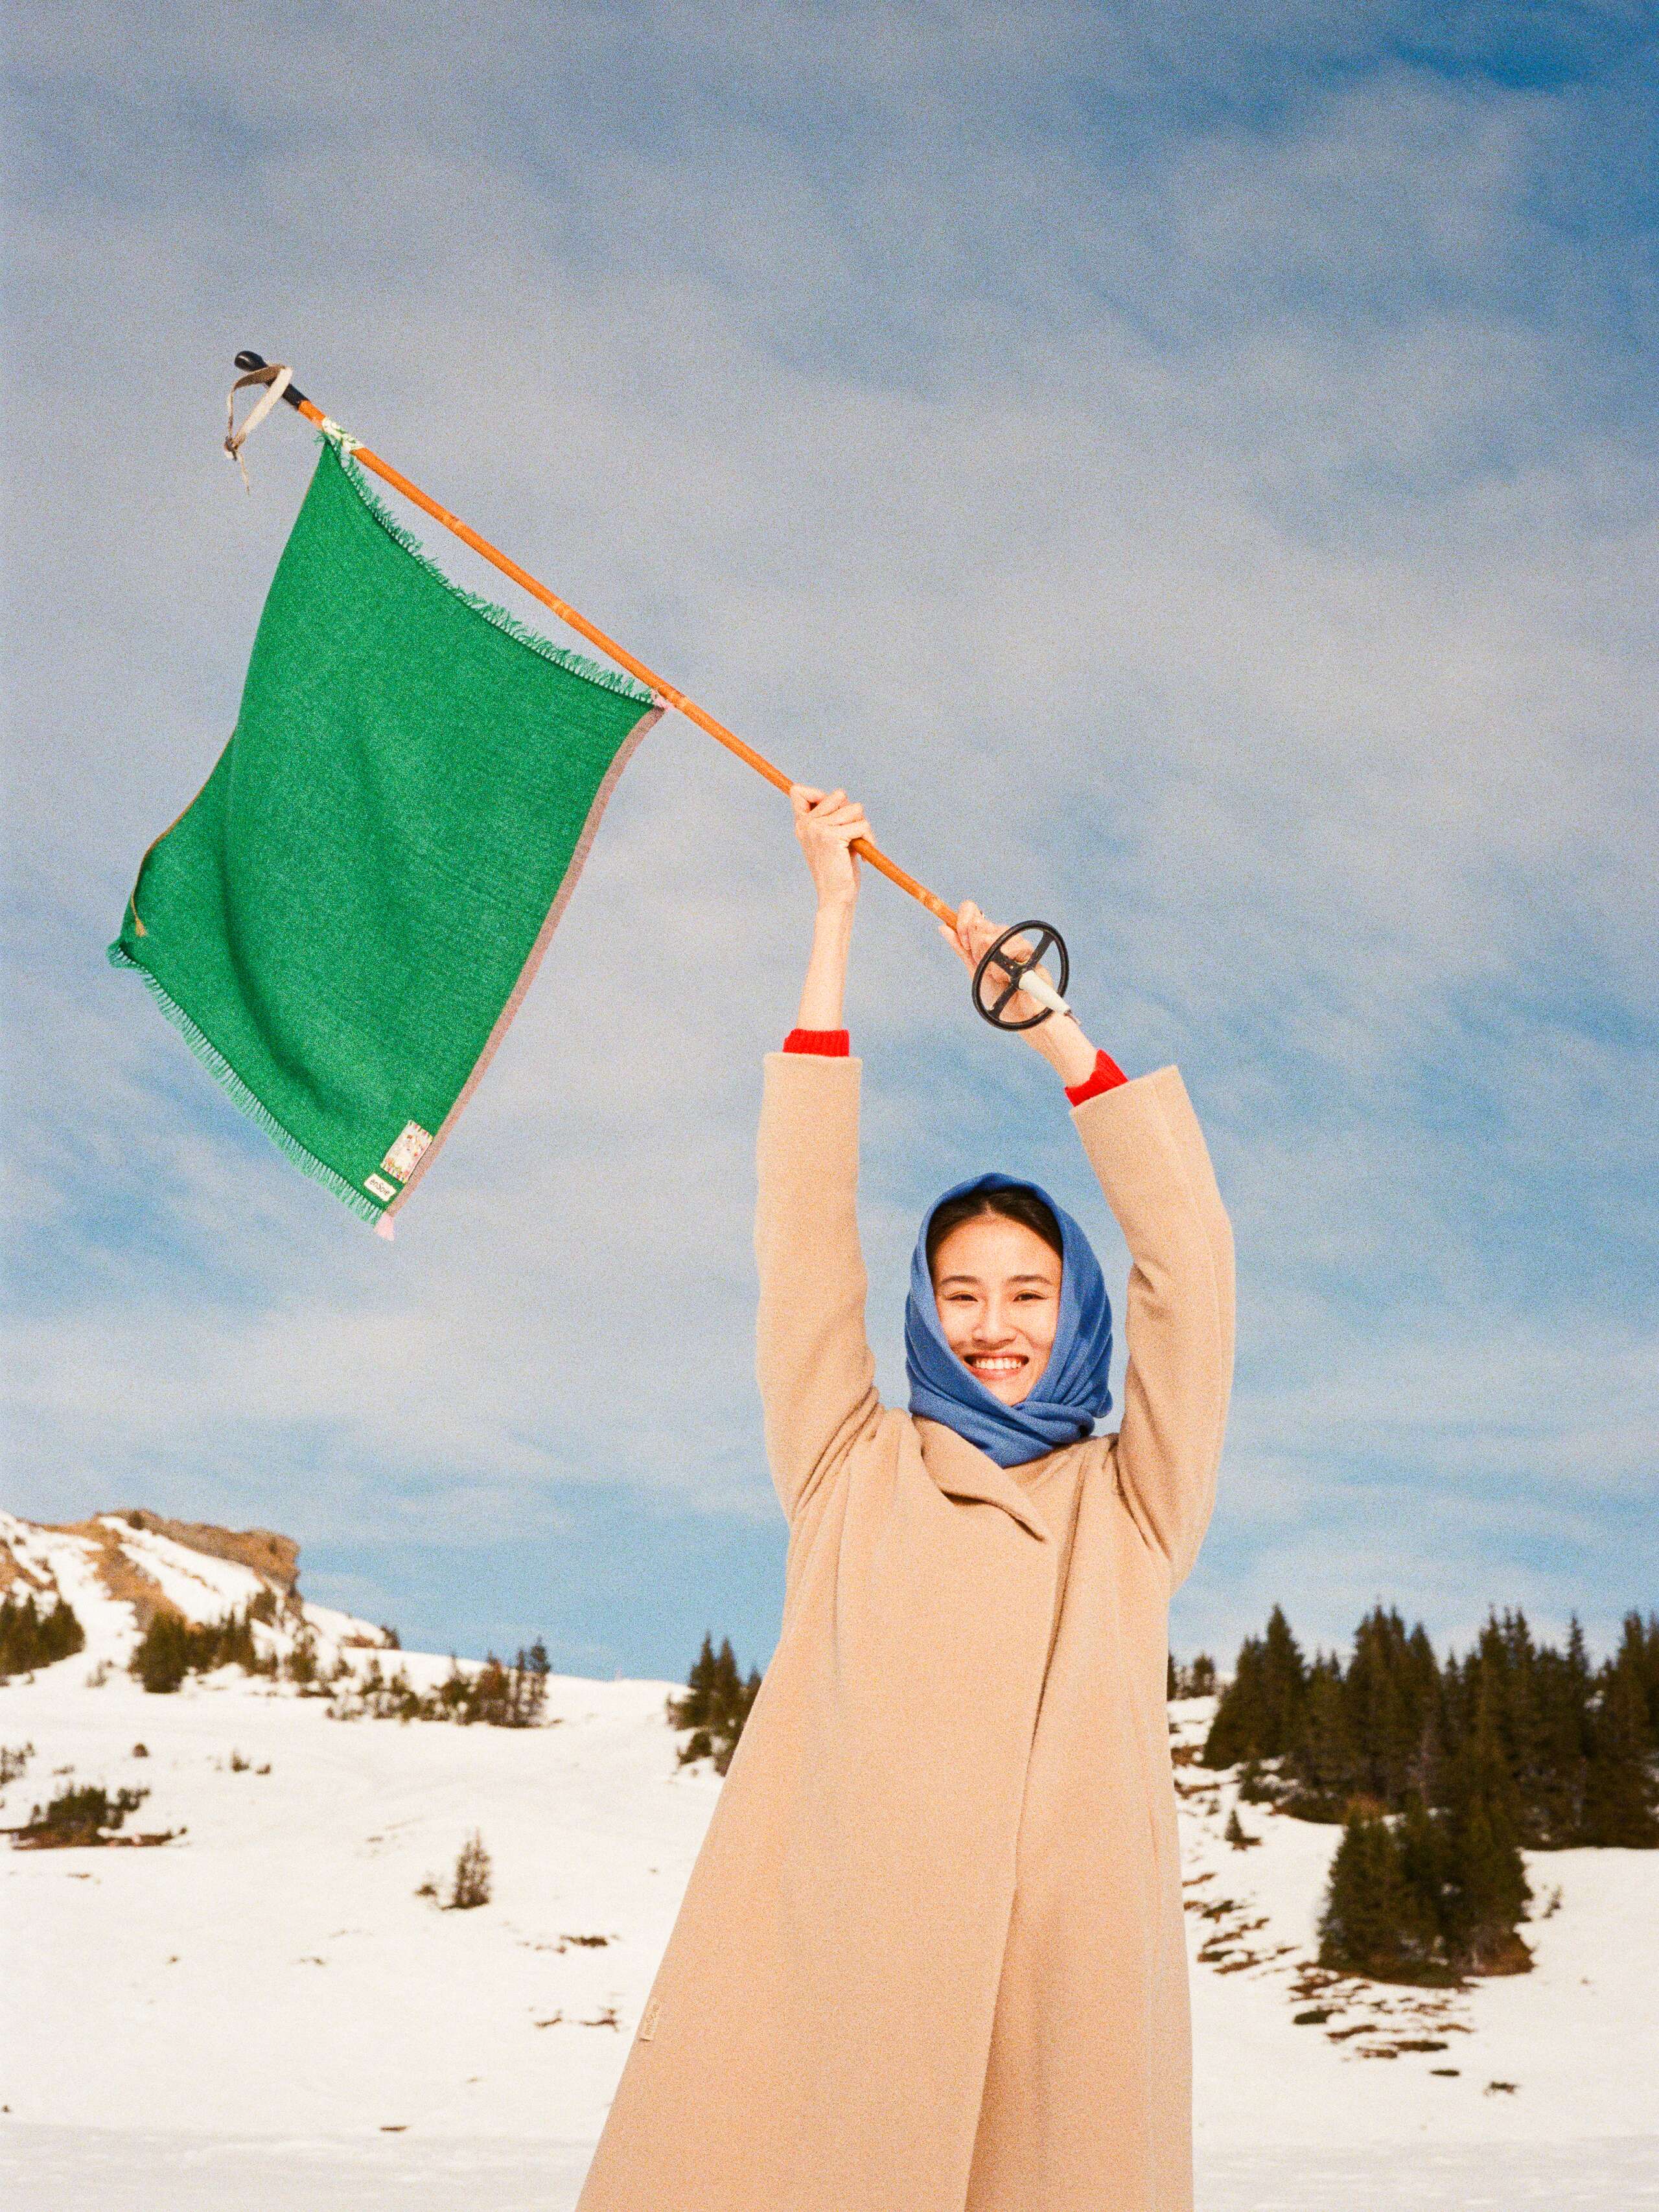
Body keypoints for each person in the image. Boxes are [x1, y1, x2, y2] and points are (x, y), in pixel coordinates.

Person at [575, 787, 1235, 2212]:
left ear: (1074, 1310)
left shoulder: (1129, 1508)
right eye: (960, 1292)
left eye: (1027, 1290)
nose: (994, 1323)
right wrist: (830, 919)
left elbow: (1190, 1251)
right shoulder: (846, 1465)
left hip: (1056, 2020)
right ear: (923, 1315)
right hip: (834, 2011)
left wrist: (1044, 1024)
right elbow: (800, 1228)